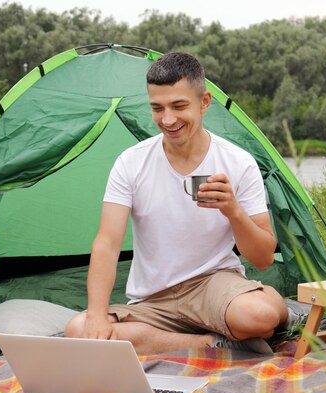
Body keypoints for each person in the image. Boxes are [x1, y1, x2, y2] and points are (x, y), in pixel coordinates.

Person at [64, 52, 295, 355]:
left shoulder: (238, 162)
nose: (167, 119)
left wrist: (233, 211)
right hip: (152, 299)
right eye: (157, 108)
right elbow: (106, 244)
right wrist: (96, 315)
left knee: (258, 315)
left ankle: (271, 304)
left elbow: (264, 257)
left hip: (214, 286)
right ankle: (210, 343)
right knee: (77, 330)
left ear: (204, 102)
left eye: (178, 106)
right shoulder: (131, 163)